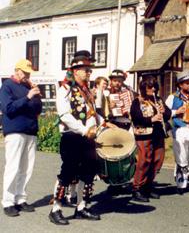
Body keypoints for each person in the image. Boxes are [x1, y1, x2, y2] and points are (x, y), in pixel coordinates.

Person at [49, 50, 115, 225]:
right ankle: (55, 209)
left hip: (88, 137)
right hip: (72, 136)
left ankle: (81, 207)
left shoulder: (86, 90)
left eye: (89, 70)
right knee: (68, 172)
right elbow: (64, 115)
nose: (89, 73)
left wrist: (103, 123)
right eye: (86, 69)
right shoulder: (65, 88)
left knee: (88, 172)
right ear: (75, 70)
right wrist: (84, 130)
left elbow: (92, 113)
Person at [0, 59, 42, 217]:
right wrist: (28, 97)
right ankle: (8, 201)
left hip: (30, 130)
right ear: (17, 70)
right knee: (13, 167)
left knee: (26, 168)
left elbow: (38, 108)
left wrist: (36, 95)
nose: (27, 75)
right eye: (25, 72)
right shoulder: (7, 86)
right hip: (15, 131)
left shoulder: (28, 86)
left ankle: (20, 198)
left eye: (29, 72)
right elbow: (8, 109)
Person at [130, 76, 171, 202]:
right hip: (144, 135)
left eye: (154, 86)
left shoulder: (158, 99)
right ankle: (137, 188)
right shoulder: (137, 101)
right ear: (143, 87)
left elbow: (168, 114)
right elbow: (136, 117)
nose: (153, 89)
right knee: (144, 161)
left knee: (157, 160)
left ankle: (148, 186)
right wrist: (150, 119)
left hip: (158, 133)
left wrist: (164, 112)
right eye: (149, 86)